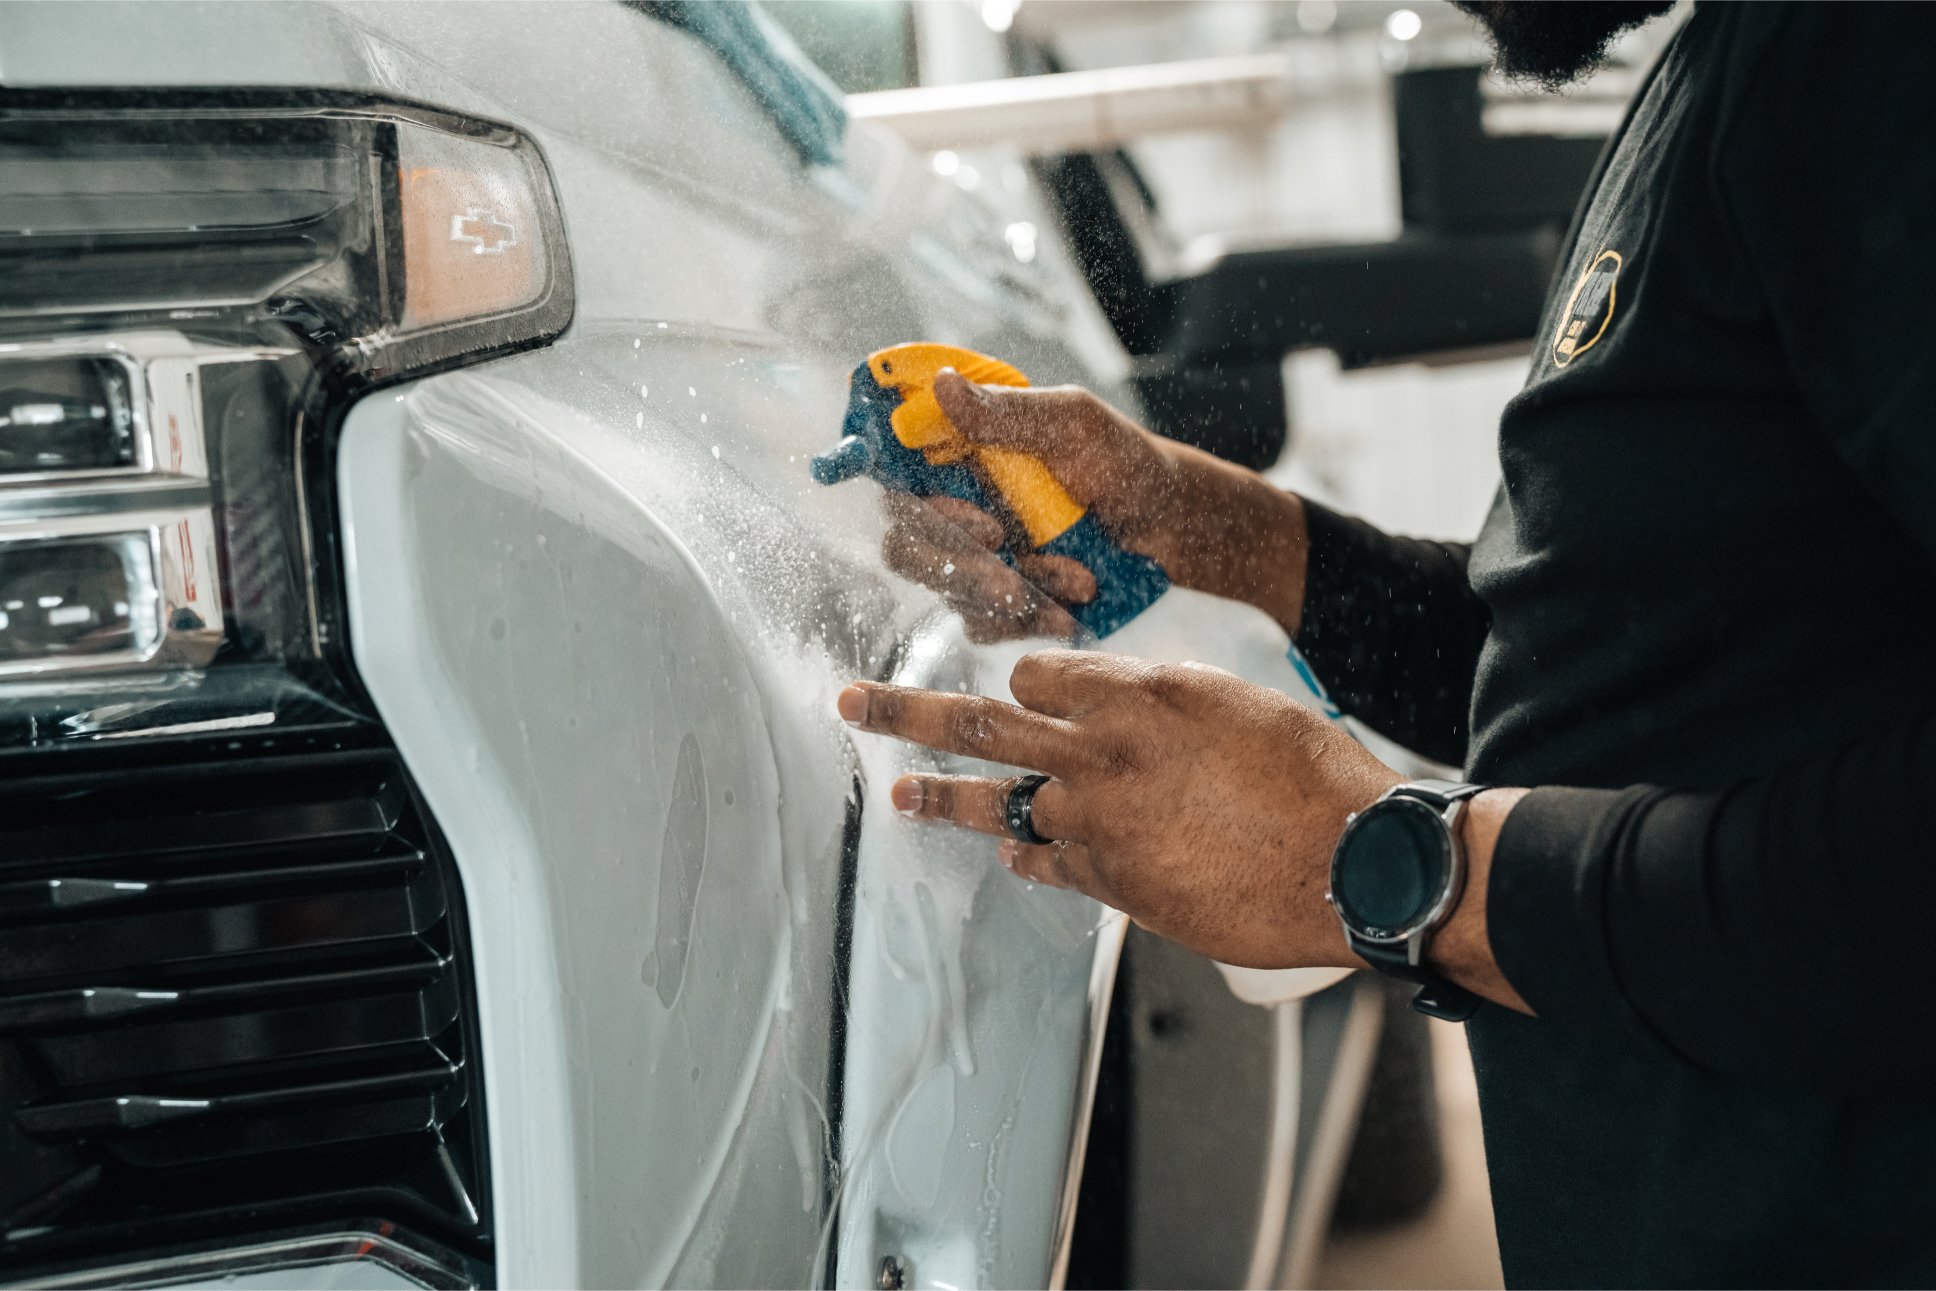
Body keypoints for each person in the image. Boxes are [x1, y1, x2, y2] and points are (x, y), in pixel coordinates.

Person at [835, 2, 1936, 1286]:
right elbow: (1645, 676)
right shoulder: (1733, 65)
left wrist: (1389, 865)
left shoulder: (1870, 55)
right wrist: (1218, 527)